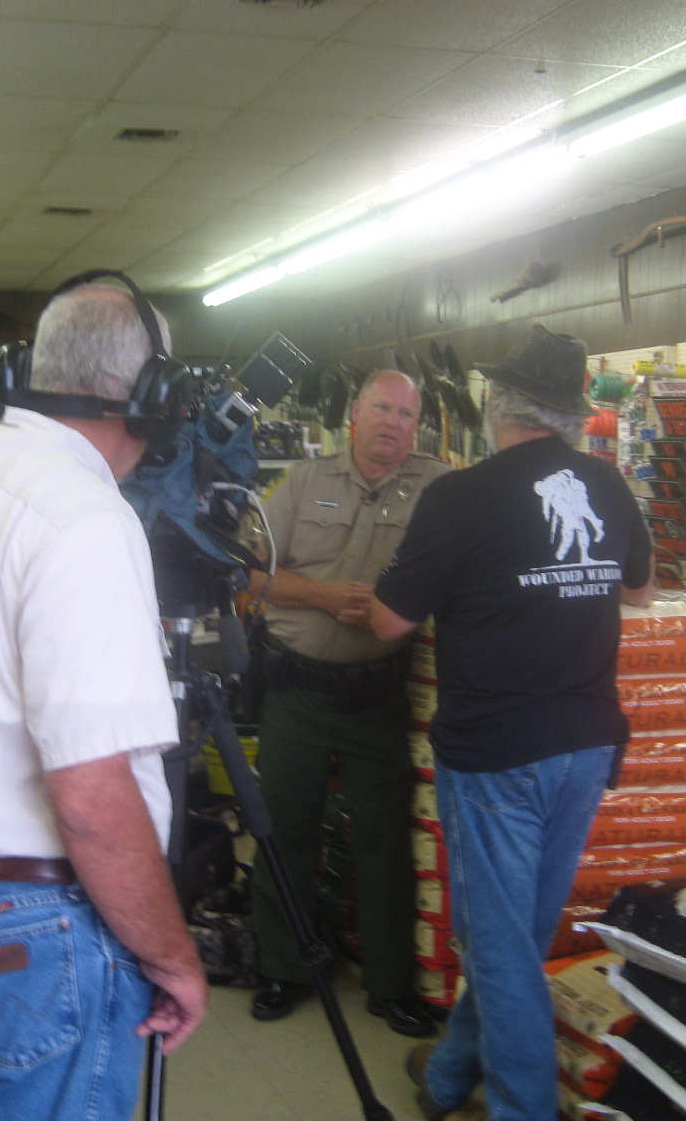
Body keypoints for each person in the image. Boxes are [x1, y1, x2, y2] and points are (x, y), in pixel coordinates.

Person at [0, 282, 208, 1121]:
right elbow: (91, 797)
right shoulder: (85, 519)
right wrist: (170, 957)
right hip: (38, 932)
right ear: (153, 398)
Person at [368, 326, 655, 1121]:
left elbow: (389, 620)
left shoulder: (459, 495)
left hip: (499, 756)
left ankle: (521, 1112)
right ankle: (452, 1074)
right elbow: (639, 592)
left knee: (497, 953)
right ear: (568, 416)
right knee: (516, 943)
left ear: (497, 404)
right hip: (588, 744)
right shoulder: (607, 484)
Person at [246, 369, 451, 1036]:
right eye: (383, 408)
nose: (394, 422)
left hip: (377, 694)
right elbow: (250, 572)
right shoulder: (304, 483)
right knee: (285, 830)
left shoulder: (439, 487)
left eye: (407, 414)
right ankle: (284, 968)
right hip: (296, 689)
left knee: (386, 842)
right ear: (354, 416)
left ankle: (391, 985)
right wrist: (325, 596)